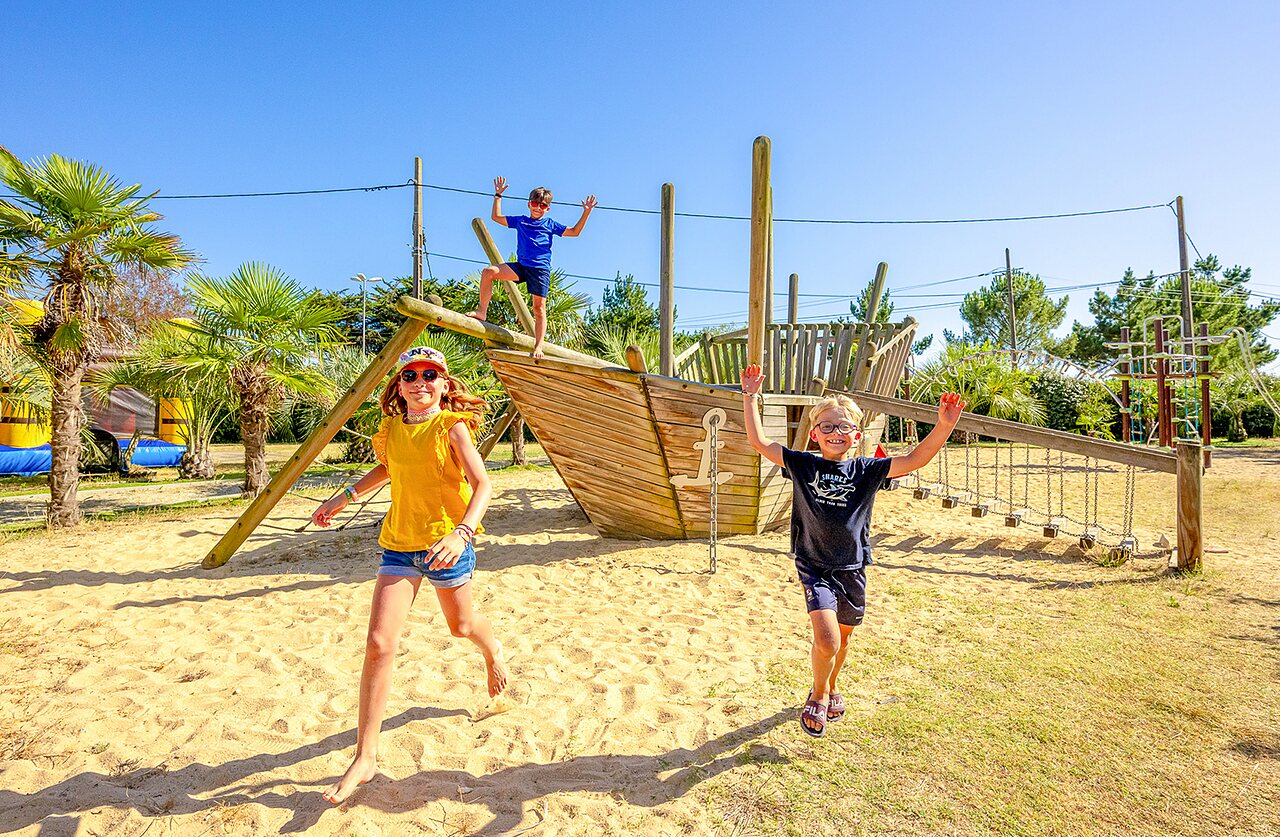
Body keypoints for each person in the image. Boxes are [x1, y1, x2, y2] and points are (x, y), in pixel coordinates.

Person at [311, 345, 508, 804]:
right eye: (410, 375)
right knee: (379, 642)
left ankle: (492, 647)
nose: (420, 382)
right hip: (398, 543)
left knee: (461, 627)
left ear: (444, 385)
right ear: (398, 387)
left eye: (430, 375)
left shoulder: (451, 427)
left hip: (445, 543)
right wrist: (345, 496)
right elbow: (388, 467)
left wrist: (462, 533)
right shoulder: (391, 430)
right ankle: (366, 756)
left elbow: (484, 484)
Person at [739, 363, 965, 738]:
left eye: (843, 426)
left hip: (853, 566)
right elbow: (760, 442)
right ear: (814, 435)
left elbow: (915, 460)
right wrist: (750, 397)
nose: (835, 432)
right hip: (814, 565)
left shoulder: (867, 470)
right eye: (826, 426)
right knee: (826, 639)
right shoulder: (803, 465)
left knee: (843, 640)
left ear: (856, 435)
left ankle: (831, 685)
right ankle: (818, 693)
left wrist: (944, 426)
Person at [468, 176, 598, 359]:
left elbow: (575, 232)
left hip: (539, 270)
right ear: (529, 204)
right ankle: (482, 311)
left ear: (548, 208)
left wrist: (586, 212)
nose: (538, 208)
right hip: (521, 266)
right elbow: (496, 217)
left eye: (543, 206)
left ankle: (538, 346)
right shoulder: (521, 221)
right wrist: (498, 195)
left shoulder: (550, 224)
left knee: (539, 308)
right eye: (535, 204)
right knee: (489, 272)